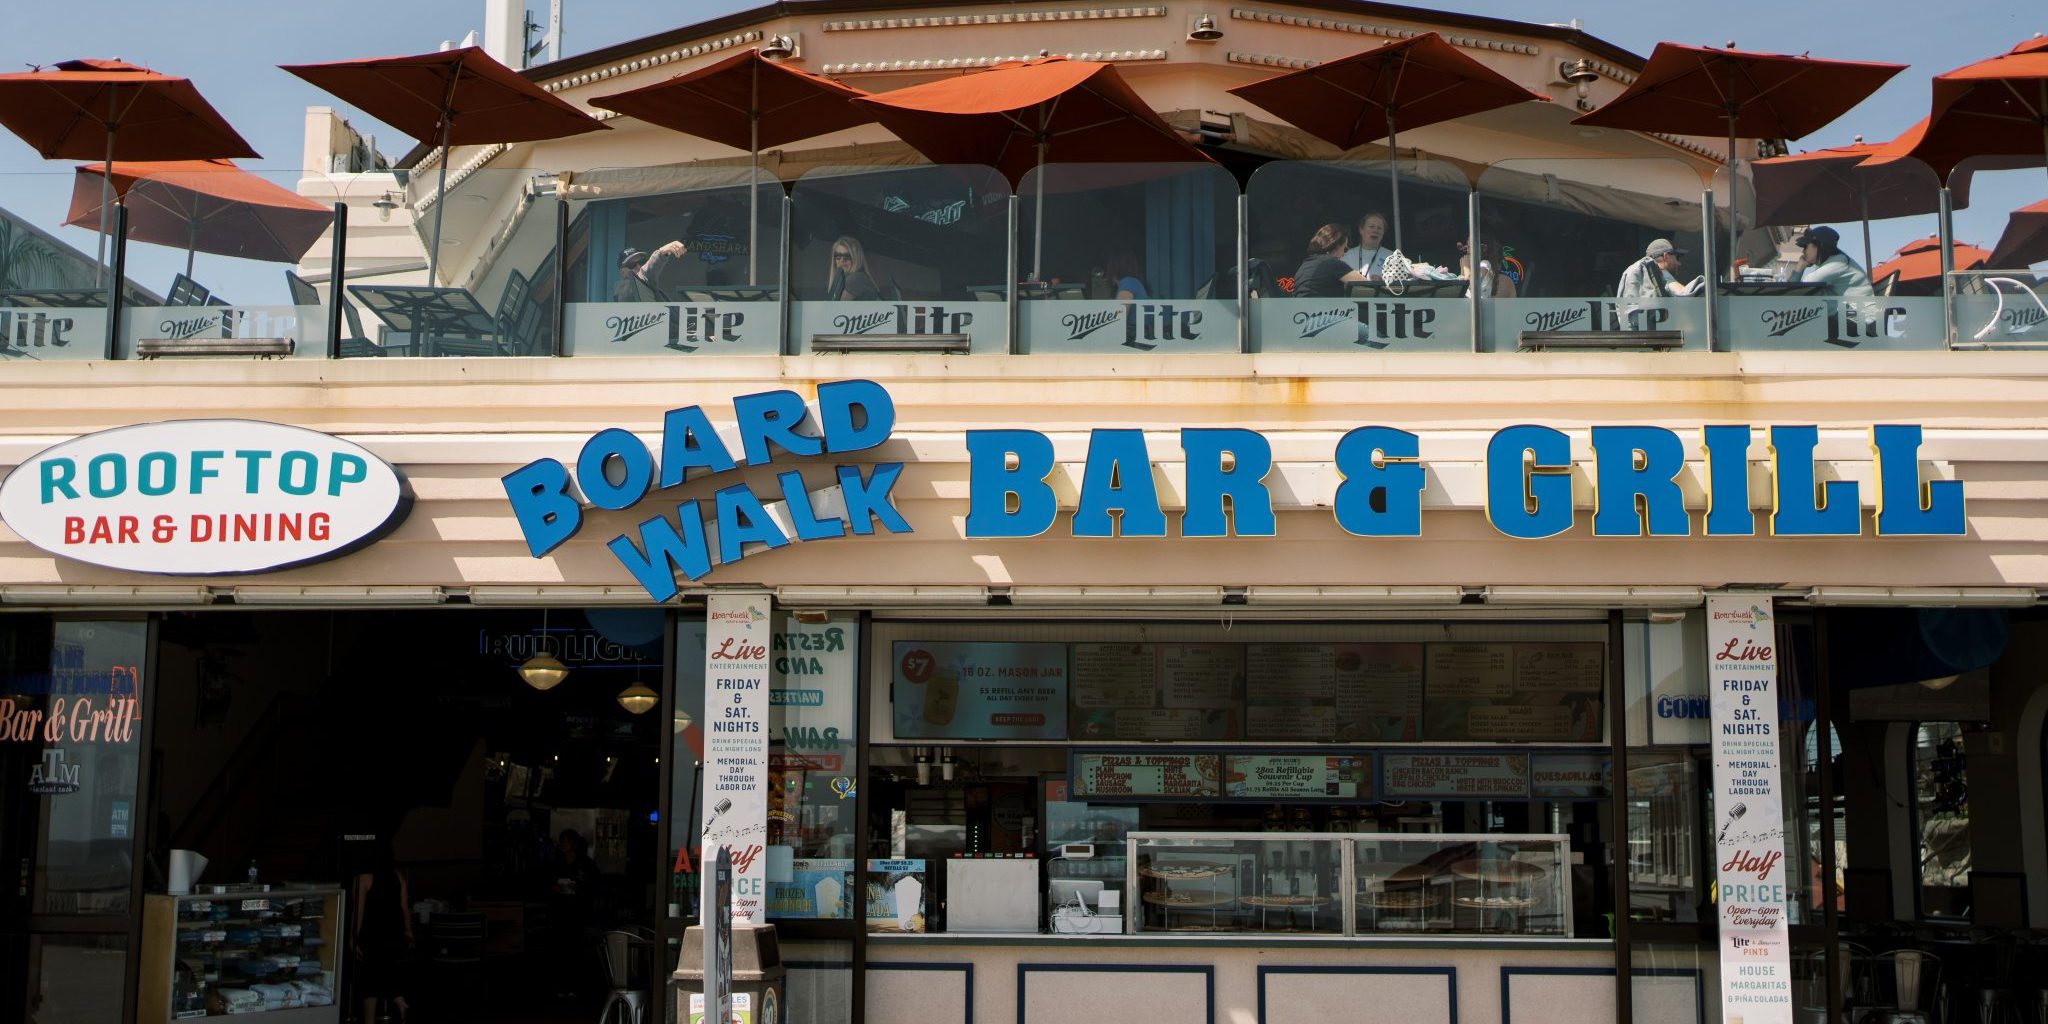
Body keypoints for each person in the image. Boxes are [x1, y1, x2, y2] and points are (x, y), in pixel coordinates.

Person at [351, 844, 414, 1024]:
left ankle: (370, 1020)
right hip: (394, 934)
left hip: (372, 935)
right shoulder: (398, 878)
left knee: (369, 980)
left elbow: (358, 913)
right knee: (386, 970)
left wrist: (353, 937)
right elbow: (404, 909)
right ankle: (399, 1000)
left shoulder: (363, 878)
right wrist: (409, 931)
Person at [546, 828, 602, 999]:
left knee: (576, 949)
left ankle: (575, 986)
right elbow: (545, 882)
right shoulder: (556, 863)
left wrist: (580, 888)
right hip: (560, 911)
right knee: (560, 949)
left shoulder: (585, 863)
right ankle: (561, 986)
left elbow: (596, 885)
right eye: (561, 841)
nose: (563, 844)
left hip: (578, 911)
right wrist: (554, 887)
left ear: (574, 844)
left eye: (566, 841)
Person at [1793, 226, 1874, 296]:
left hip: (1862, 312)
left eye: (1805, 247)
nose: (1803, 251)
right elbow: (1791, 292)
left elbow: (1801, 289)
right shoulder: (1832, 262)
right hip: (1851, 311)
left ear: (1819, 246)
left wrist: (1799, 267)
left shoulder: (1837, 263)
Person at [1617, 239, 1701, 299]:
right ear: (1666, 256)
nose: (1679, 263)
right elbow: (1685, 294)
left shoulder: (1637, 273)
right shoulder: (1662, 273)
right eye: (1677, 258)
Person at [1291, 223, 1355, 298]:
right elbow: (1366, 285)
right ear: (1337, 245)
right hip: (1320, 308)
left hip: (1300, 308)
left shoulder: (1305, 264)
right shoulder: (1332, 263)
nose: (1344, 254)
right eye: (1345, 249)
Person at [612, 240, 687, 301]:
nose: (638, 267)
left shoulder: (646, 283)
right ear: (622, 272)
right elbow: (644, 273)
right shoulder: (624, 288)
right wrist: (661, 253)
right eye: (632, 264)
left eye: (642, 262)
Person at [826, 235, 882, 301]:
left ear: (856, 257)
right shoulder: (851, 279)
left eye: (847, 256)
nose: (842, 260)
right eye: (838, 256)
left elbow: (836, 309)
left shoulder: (854, 279)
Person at [1342, 211, 1392, 279]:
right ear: (1361, 230)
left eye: (1380, 228)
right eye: (1371, 226)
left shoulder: (1392, 257)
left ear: (1383, 233)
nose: (1375, 230)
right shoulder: (1347, 256)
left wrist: (1384, 280)